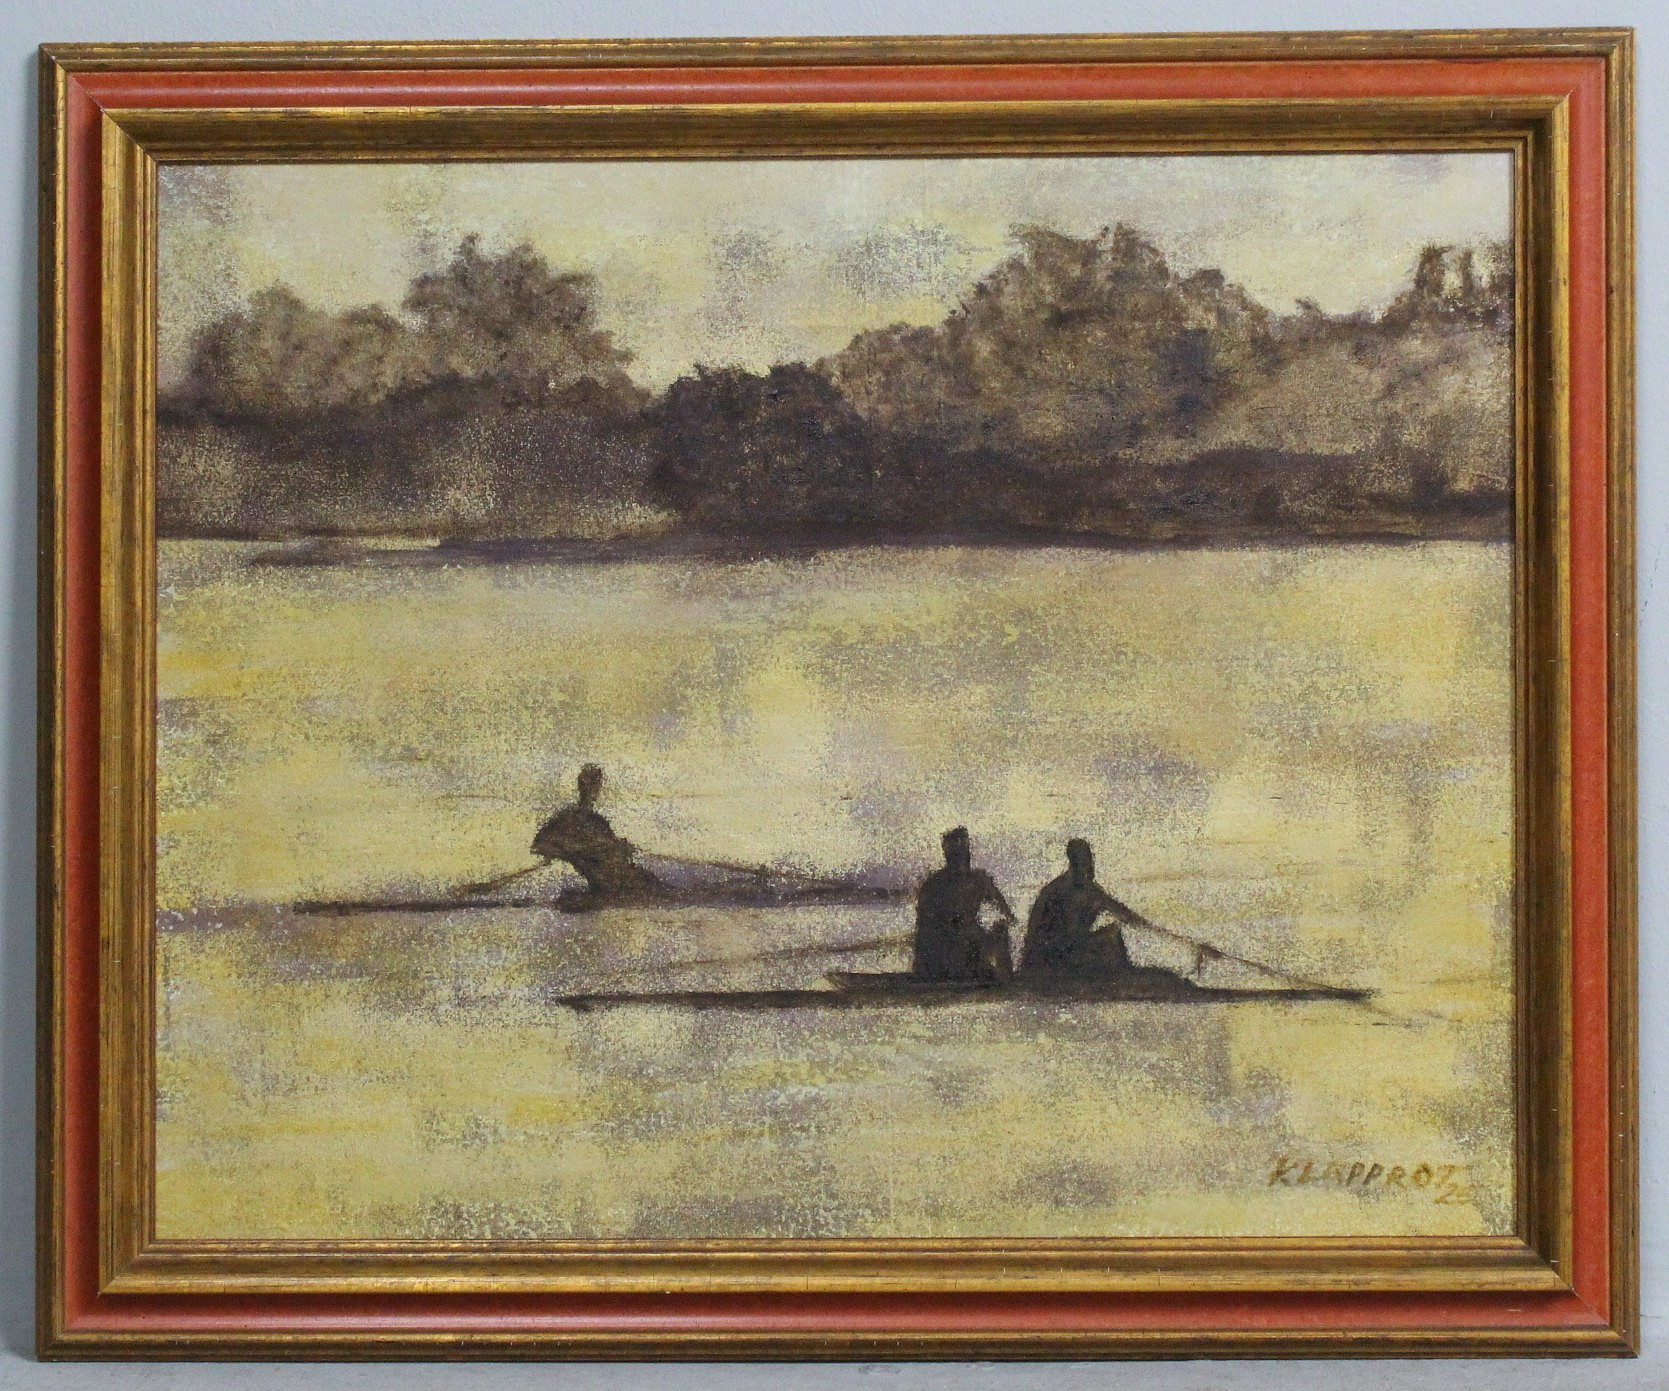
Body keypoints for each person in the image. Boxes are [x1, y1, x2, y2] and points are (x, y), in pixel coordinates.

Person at [531, 764, 663, 900]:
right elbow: (539, 846)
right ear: (582, 786)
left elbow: (612, 849)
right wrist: (579, 851)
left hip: (615, 876)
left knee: (651, 883)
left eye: (596, 784)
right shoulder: (566, 819)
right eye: (590, 784)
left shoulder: (598, 822)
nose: (593, 790)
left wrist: (621, 847)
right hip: (599, 879)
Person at [1019, 838, 1141, 979]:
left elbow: (1121, 912)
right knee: (1111, 935)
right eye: (1085, 859)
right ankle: (1125, 977)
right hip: (1054, 957)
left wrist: (1153, 928)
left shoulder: (1086, 889)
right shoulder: (1059, 890)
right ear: (1075, 862)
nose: (1089, 864)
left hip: (1066, 951)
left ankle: (1125, 975)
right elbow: (1037, 931)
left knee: (1112, 933)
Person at [912, 827, 1016, 984]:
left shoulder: (979, 879)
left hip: (968, 948)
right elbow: (924, 931)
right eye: (956, 852)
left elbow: (1007, 913)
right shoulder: (935, 884)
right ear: (948, 855)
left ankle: (1006, 980)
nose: (960, 857)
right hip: (945, 952)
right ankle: (1002, 980)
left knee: (999, 931)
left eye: (963, 850)